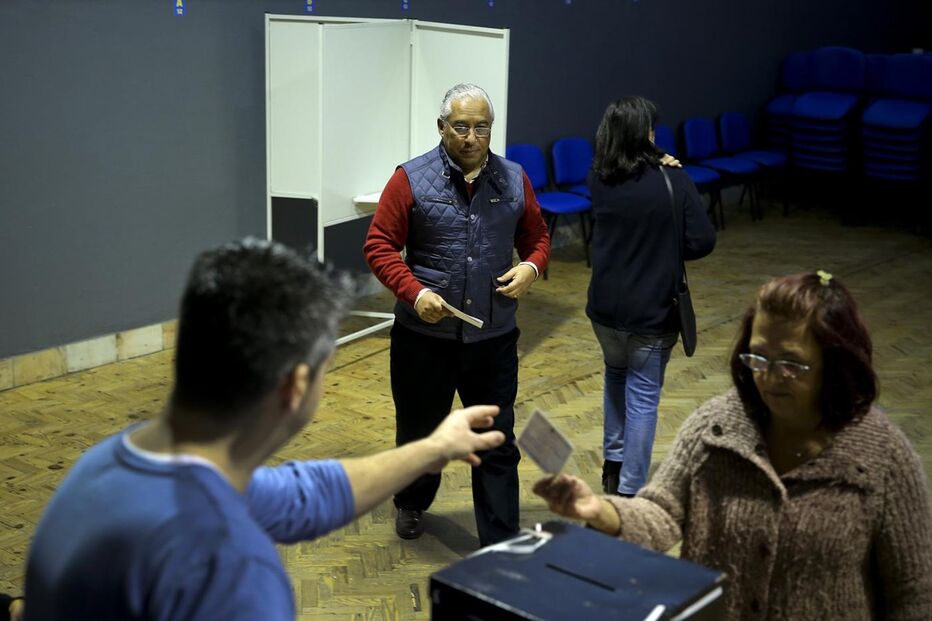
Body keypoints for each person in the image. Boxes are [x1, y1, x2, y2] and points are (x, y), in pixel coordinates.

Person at [24, 238, 506, 621]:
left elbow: (306, 495)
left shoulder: (108, 465)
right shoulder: (230, 569)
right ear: (296, 384)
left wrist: (433, 448)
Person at [534, 271, 932, 620]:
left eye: (790, 363)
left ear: (835, 362)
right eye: (758, 357)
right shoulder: (716, 427)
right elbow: (662, 511)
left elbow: (915, 590)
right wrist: (601, 511)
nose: (769, 377)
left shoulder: (883, 456)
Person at [363, 83, 550, 546]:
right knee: (421, 434)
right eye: (461, 127)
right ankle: (411, 501)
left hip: (493, 337)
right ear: (441, 127)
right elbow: (379, 246)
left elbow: (538, 238)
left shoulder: (514, 178)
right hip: (423, 341)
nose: (470, 137)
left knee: (496, 441)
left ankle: (500, 540)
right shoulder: (409, 178)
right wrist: (413, 291)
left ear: (491, 130)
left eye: (480, 127)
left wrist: (531, 267)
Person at [587, 96, 715, 496]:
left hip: (604, 311)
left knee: (615, 376)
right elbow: (702, 240)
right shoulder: (671, 180)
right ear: (644, 135)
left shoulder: (598, 179)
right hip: (651, 311)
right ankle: (629, 491)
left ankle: (612, 465)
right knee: (643, 397)